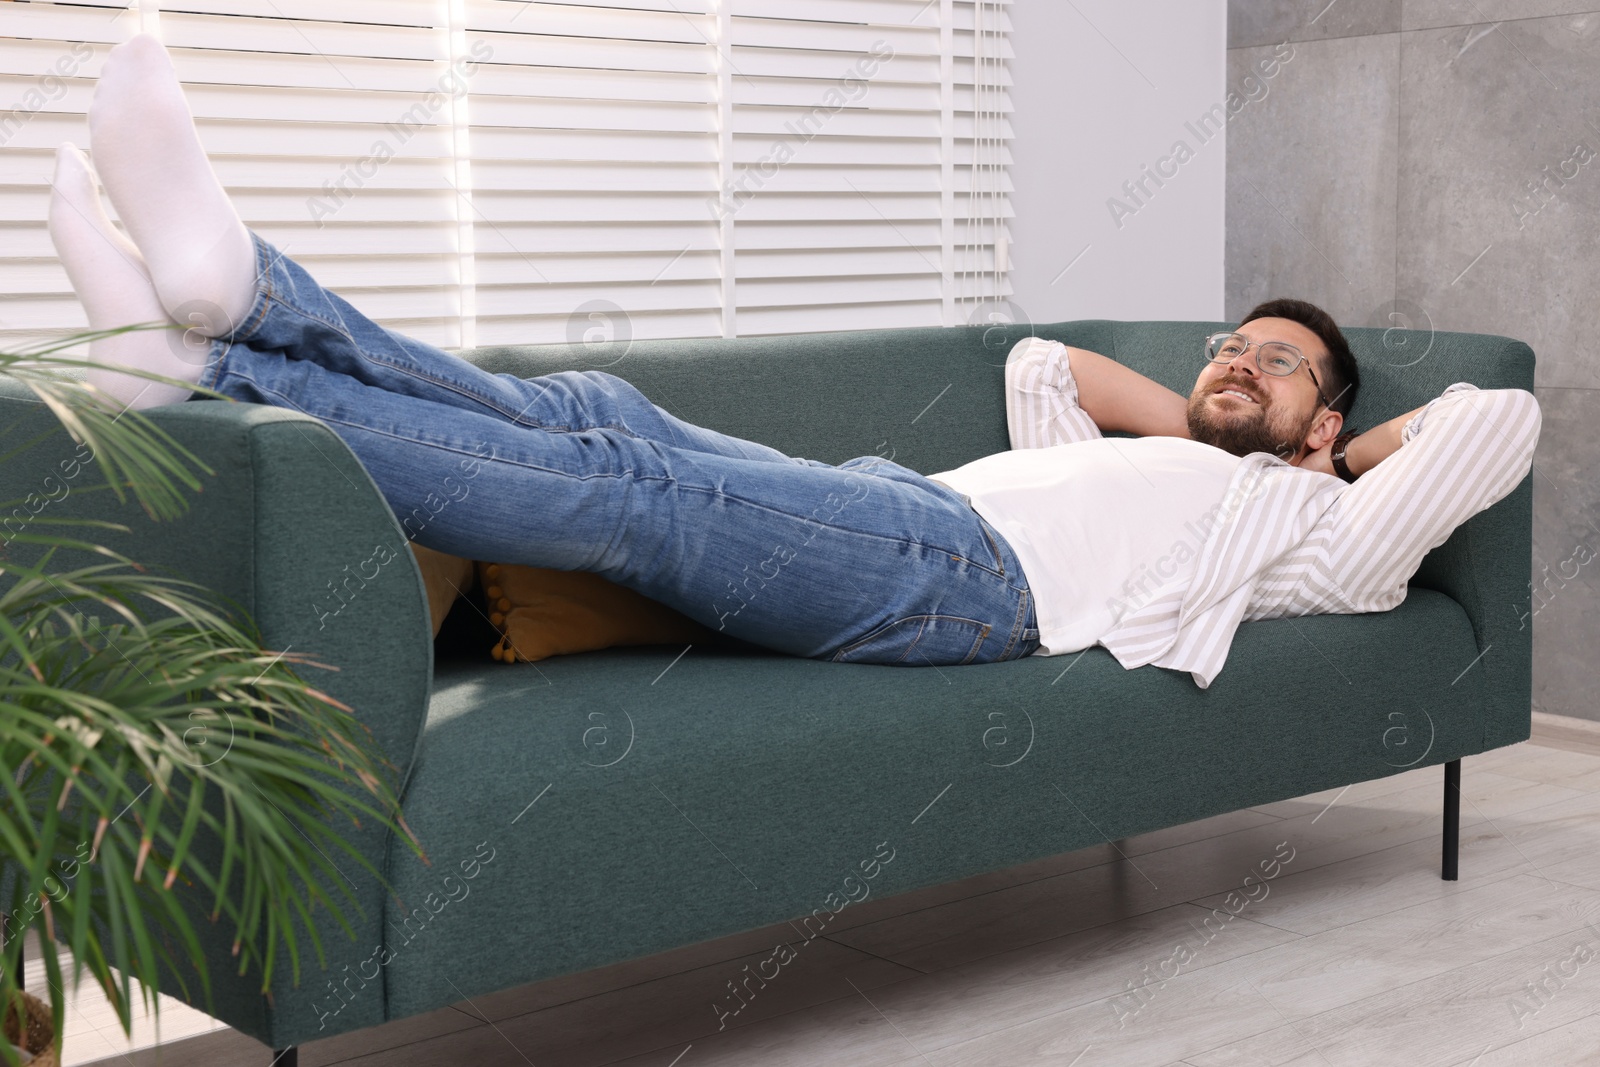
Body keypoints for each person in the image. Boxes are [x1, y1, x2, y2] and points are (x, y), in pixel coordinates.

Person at [47, 35, 1541, 686]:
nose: (1229, 362)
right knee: (596, 405)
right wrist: (1213, 412)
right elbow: (1039, 364)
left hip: (967, 592)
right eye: (1225, 343)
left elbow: (1500, 419)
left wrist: (1316, 458)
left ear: (1326, 417)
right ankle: (239, 299)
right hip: (899, 508)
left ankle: (219, 369)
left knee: (632, 490)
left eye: (1269, 362)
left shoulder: (1321, 540)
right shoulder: (1164, 460)